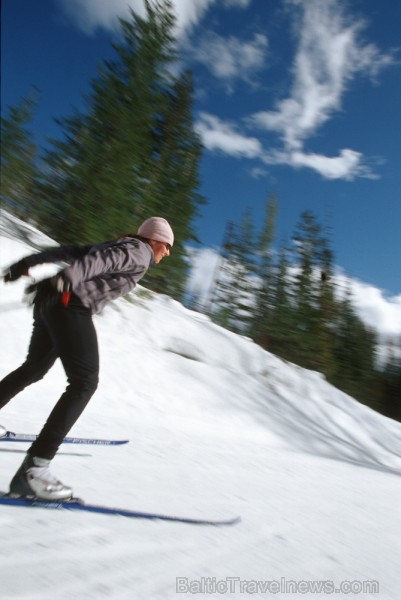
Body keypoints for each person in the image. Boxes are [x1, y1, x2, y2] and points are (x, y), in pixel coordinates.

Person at [0, 216, 174, 501]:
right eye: (166, 246)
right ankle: (35, 471)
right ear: (154, 239)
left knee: (34, 369)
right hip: (70, 304)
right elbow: (100, 263)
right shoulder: (139, 251)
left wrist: (29, 263)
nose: (166, 253)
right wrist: (66, 279)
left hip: (51, 303)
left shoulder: (118, 245)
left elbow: (70, 252)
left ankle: (32, 469)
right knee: (84, 383)